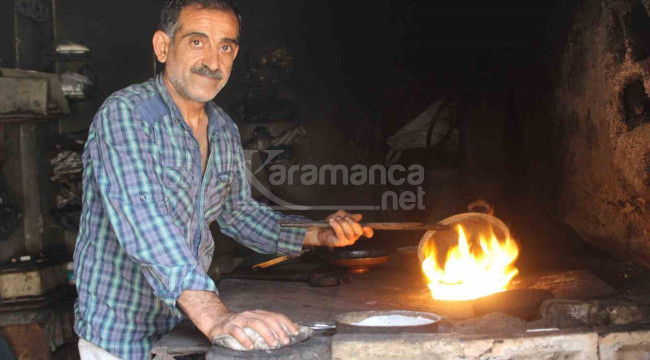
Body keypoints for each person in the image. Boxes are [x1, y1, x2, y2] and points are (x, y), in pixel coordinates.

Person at [73, 1, 373, 359]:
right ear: (163, 47)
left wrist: (317, 233)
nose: (213, 62)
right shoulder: (126, 115)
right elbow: (144, 220)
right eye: (197, 42)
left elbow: (239, 214)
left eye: (225, 47)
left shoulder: (223, 128)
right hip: (120, 336)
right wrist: (215, 315)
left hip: (183, 330)